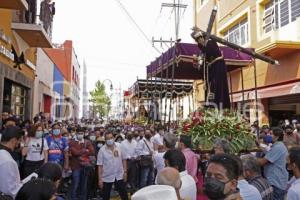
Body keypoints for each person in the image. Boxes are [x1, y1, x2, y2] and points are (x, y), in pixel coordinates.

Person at [257, 127, 288, 200]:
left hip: (276, 182)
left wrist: (249, 158)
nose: (268, 135)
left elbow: (262, 162)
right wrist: (259, 145)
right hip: (276, 180)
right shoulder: (277, 146)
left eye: (270, 134)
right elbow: (268, 153)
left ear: (277, 137)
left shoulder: (278, 147)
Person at [97, 132, 128, 200]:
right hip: (107, 176)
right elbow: (100, 166)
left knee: (124, 194)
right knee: (105, 196)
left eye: (111, 138)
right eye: (107, 138)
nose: (109, 140)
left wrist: (125, 172)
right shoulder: (102, 150)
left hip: (119, 175)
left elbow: (124, 159)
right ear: (105, 140)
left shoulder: (120, 146)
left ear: (114, 138)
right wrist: (100, 179)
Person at [69, 127, 95, 200]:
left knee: (84, 184)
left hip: (85, 166)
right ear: (76, 134)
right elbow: (75, 153)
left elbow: (92, 152)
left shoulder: (87, 142)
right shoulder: (72, 142)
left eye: (82, 133)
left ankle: (82, 198)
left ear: (84, 134)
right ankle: (73, 197)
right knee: (75, 184)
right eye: (79, 133)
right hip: (75, 166)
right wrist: (85, 150)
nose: (80, 135)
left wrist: (80, 151)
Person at [0, 126, 23, 198]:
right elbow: (10, 191)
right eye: (19, 140)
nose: (19, 143)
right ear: (13, 140)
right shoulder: (7, 161)